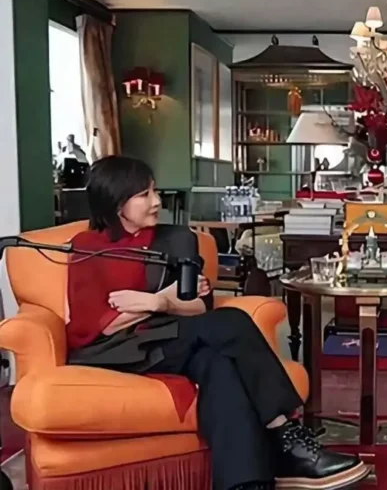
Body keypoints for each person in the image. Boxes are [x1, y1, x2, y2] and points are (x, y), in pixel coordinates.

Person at [66, 156, 370, 490]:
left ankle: (246, 484)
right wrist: (163, 303)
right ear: (116, 202)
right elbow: (101, 326)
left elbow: (199, 305)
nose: (157, 201)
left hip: (172, 339)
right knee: (232, 323)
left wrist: (160, 302)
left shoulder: (176, 239)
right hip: (116, 349)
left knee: (219, 364)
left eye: (155, 191)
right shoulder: (87, 247)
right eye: (144, 195)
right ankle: (286, 436)